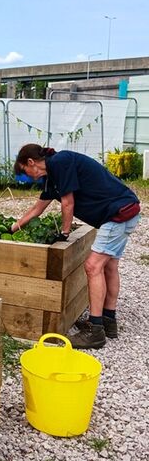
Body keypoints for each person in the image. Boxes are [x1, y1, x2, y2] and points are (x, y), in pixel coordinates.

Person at [11, 144, 141, 349]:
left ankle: (95, 330)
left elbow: (68, 203)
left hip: (117, 214)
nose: (28, 177)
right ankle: (108, 321)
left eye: (25, 171)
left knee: (92, 266)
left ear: (31, 162)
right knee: (109, 266)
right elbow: (38, 208)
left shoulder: (60, 162)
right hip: (124, 210)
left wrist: (64, 233)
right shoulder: (52, 176)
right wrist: (14, 227)